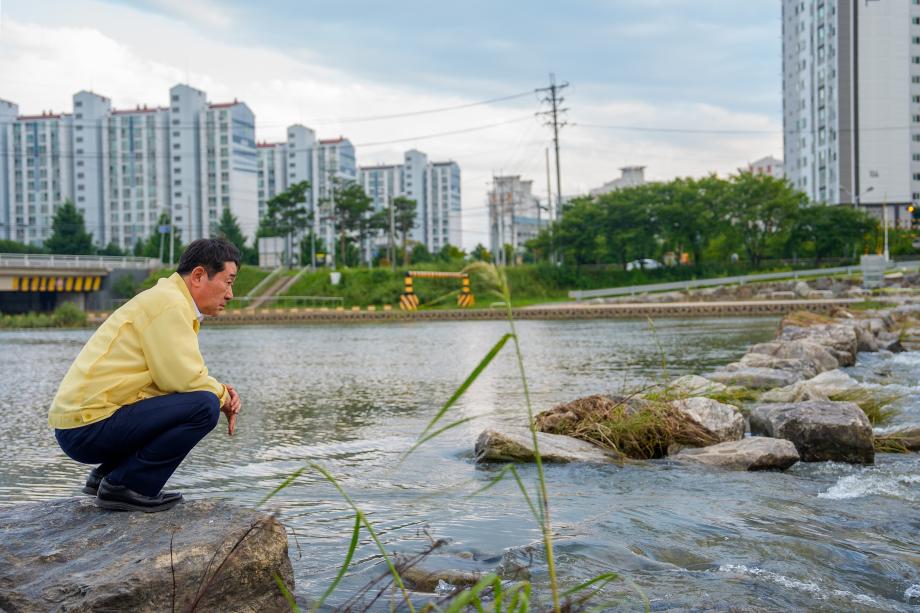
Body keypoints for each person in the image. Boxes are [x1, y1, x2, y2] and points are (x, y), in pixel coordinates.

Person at [48, 238, 242, 512]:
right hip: (86, 426)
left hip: (80, 425)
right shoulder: (169, 303)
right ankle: (127, 487)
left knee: (195, 399)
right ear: (198, 275)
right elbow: (183, 379)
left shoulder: (167, 299)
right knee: (204, 407)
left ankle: (107, 477)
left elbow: (175, 379)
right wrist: (222, 396)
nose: (230, 294)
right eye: (228, 282)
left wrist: (217, 389)